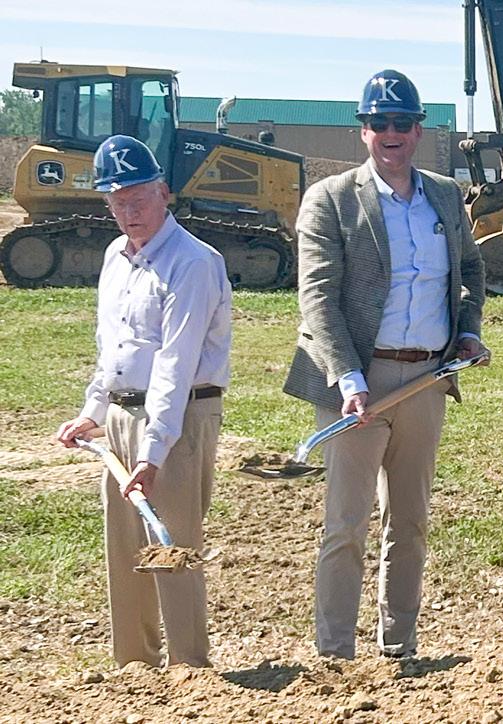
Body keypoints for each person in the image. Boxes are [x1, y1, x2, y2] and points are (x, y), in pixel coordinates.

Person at [282, 69, 488, 659]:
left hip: (426, 380)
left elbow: (470, 269)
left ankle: (400, 643)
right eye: (380, 123)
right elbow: (318, 297)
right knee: (346, 525)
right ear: (363, 131)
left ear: (418, 130)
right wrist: (349, 379)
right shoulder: (331, 199)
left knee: (411, 521)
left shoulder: (444, 195)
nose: (391, 133)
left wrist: (467, 330)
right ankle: (335, 653)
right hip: (358, 383)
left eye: (402, 122)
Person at [55, 135, 232, 668]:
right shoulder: (115, 257)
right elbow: (112, 348)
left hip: (180, 417)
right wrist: (92, 413)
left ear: (164, 193)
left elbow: (175, 365)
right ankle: (134, 667)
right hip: (120, 415)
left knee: (171, 545)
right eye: (117, 202)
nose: (128, 213)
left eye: (137, 199)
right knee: (126, 546)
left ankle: (189, 669)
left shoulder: (193, 263)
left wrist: (153, 454)